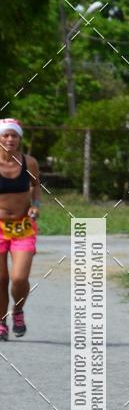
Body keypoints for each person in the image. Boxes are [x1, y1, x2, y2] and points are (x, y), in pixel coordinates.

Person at [0, 118, 41, 339]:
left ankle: (17, 310)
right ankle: (1, 321)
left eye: (14, 135)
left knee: (19, 278)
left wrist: (36, 206)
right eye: (5, 135)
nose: (10, 139)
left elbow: (36, 186)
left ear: (19, 138)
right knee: (0, 279)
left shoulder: (29, 163)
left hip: (23, 227)